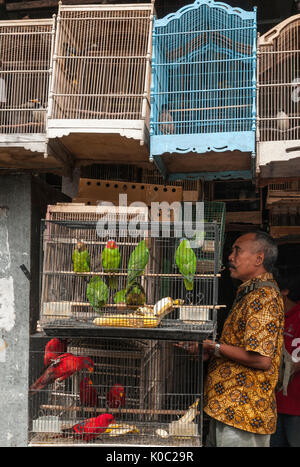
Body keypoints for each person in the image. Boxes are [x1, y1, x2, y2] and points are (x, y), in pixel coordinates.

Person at [203, 231, 284, 447]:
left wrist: (216, 346)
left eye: (237, 250)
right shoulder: (249, 293)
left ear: (259, 259)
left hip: (244, 413)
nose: (230, 256)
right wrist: (212, 350)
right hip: (227, 409)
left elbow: (261, 359)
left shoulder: (264, 297)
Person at [270, 269, 300, 447]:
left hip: (296, 404)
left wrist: (287, 369)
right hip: (272, 403)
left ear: (285, 291)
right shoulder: (270, 318)